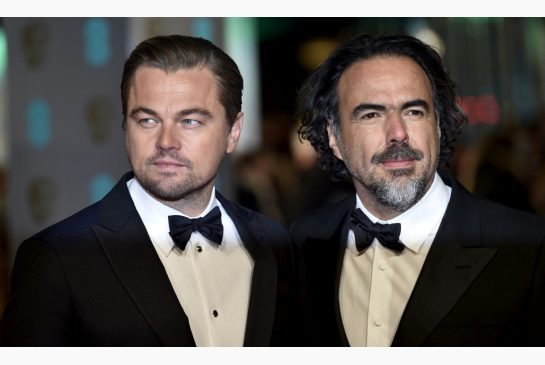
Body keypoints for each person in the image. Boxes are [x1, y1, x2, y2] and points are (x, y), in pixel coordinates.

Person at [0, 35, 293, 346]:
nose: (167, 141)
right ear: (126, 127)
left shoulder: (274, 243)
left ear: (233, 132)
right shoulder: (58, 257)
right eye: (148, 120)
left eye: (190, 121)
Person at [291, 34, 545, 346]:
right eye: (371, 114)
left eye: (414, 111)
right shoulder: (301, 245)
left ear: (438, 125)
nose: (398, 133)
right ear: (334, 136)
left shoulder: (528, 247)